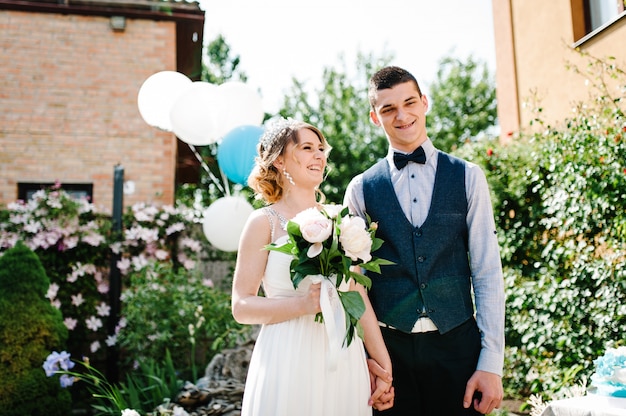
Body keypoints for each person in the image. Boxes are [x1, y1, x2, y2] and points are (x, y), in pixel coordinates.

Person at [343, 66, 505, 415]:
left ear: (425, 102)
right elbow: (353, 285)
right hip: (390, 355)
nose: (402, 115)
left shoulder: (468, 177)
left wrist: (491, 362)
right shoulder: (359, 189)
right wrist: (367, 361)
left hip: (458, 347)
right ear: (375, 117)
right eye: (388, 109)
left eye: (409, 102)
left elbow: (487, 271)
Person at [231, 118, 395, 416]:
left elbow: (358, 296)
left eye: (321, 148)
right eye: (307, 148)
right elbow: (241, 306)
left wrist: (384, 367)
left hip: (343, 356)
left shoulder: (342, 221)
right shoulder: (262, 223)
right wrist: (304, 304)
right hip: (287, 354)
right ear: (280, 160)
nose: (320, 155)